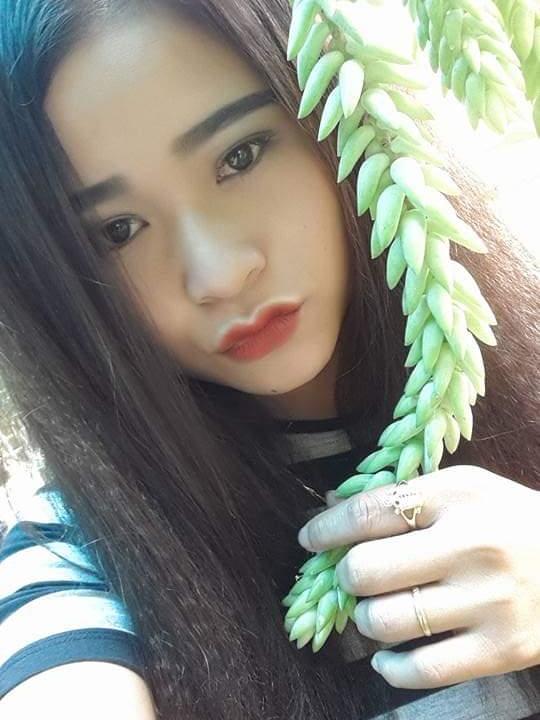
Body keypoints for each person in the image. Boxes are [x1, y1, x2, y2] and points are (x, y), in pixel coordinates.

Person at [0, 0, 538, 718]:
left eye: (240, 156)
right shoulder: (79, 553)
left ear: (343, 122)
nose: (219, 273)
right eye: (118, 230)